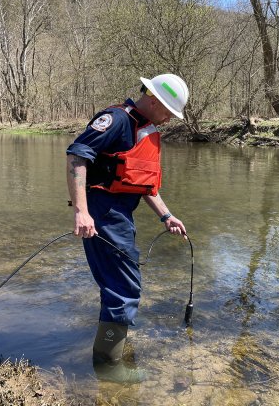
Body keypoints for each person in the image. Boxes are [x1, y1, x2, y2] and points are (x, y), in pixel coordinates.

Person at [66, 73, 188, 382]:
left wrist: (167, 216)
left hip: (118, 214)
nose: (169, 120)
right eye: (168, 112)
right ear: (154, 100)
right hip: (103, 212)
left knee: (117, 283)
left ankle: (111, 345)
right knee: (124, 288)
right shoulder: (117, 120)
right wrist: (82, 211)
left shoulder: (140, 128)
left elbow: (142, 183)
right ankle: (108, 366)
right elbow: (77, 156)